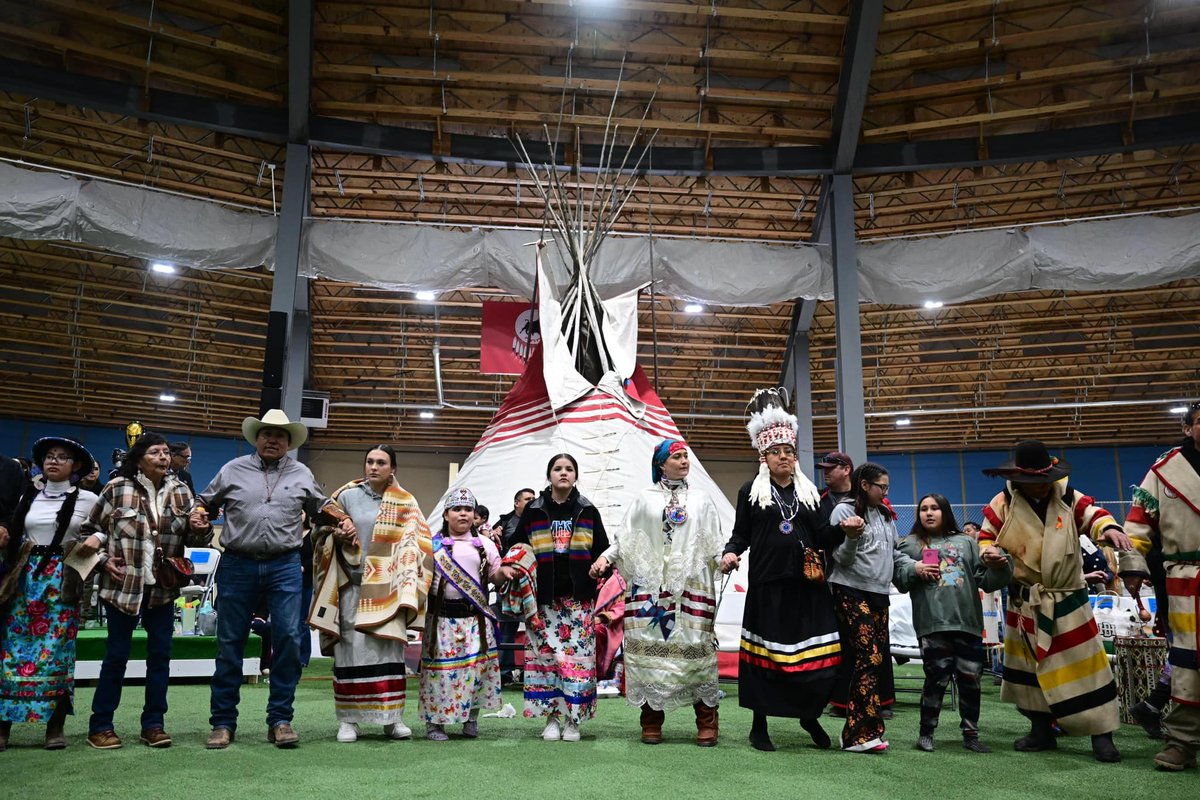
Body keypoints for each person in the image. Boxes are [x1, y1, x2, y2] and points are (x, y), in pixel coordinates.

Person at [195, 409, 355, 749]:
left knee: (289, 640)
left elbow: (321, 506)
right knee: (229, 645)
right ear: (257, 438)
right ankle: (223, 723)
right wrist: (198, 517)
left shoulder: (301, 473)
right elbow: (205, 503)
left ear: (288, 442)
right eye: (267, 434)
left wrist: (342, 520)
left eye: (280, 436)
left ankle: (280, 720)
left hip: (285, 565)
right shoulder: (231, 470)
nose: (273, 440)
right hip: (237, 563)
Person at [979, 439, 1131, 762]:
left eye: (1043, 482)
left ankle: (1101, 734)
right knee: (1031, 674)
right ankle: (1041, 730)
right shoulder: (1001, 503)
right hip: (1024, 603)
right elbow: (985, 537)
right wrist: (988, 553)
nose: (1039, 489)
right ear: (1018, 479)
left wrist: (1110, 527)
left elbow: (1095, 515)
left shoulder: (1068, 497)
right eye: (1032, 482)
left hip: (1068, 601)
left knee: (1088, 670)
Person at [719, 388, 843, 752]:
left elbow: (821, 534)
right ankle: (759, 726)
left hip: (808, 587)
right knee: (764, 658)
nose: (785, 457)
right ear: (764, 457)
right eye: (777, 452)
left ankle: (809, 716)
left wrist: (844, 530)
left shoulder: (808, 494)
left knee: (812, 656)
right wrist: (730, 553)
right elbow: (741, 533)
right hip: (767, 585)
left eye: (789, 452)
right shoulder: (751, 492)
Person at [75, 433, 210, 750]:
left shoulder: (181, 492)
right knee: (116, 656)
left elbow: (197, 540)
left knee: (160, 656)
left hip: (163, 588)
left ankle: (153, 725)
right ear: (138, 457)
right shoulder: (115, 489)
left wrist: (201, 528)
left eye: (166, 452)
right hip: (122, 586)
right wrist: (104, 560)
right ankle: (101, 726)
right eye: (155, 452)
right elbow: (88, 532)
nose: (164, 457)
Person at [590, 439, 724, 745]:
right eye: (676, 456)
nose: (683, 461)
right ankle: (651, 720)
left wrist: (724, 558)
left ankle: (706, 719)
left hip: (690, 588)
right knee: (650, 643)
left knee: (696, 646)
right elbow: (624, 539)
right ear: (661, 464)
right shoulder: (644, 499)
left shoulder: (702, 499)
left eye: (685, 456)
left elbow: (714, 541)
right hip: (650, 590)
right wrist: (605, 558)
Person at [308, 444, 432, 743]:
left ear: (393, 469)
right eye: (369, 461)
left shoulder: (405, 502)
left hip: (389, 590)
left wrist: (406, 557)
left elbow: (422, 540)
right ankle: (348, 720)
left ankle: (392, 720)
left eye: (381, 462)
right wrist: (335, 535)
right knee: (349, 652)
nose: (373, 467)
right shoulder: (345, 497)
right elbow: (318, 532)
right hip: (352, 584)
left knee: (388, 650)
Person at [0, 438, 98, 751]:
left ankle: (54, 728)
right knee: (11, 652)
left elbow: (107, 527)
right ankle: (4, 727)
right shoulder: (27, 496)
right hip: (24, 579)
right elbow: (14, 531)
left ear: (76, 466)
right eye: (49, 457)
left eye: (62, 457)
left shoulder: (88, 499)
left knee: (57, 654)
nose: (53, 462)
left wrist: (95, 538)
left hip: (63, 579)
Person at [503, 453, 609, 742]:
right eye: (558, 469)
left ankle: (574, 721)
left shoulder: (587, 510)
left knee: (576, 662)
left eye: (569, 469)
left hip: (578, 601)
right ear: (549, 475)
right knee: (546, 660)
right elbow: (515, 547)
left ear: (576, 475)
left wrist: (601, 565)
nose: (563, 473)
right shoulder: (534, 510)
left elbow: (604, 550)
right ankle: (551, 718)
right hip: (542, 601)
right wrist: (513, 566)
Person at [829, 462, 933, 753]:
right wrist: (851, 538)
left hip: (879, 592)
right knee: (869, 656)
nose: (886, 492)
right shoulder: (844, 511)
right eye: (882, 487)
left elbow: (895, 554)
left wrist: (916, 566)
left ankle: (869, 730)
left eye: (887, 487)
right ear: (864, 485)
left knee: (874, 661)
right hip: (849, 589)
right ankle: (854, 734)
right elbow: (842, 559)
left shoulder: (885, 514)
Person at [896, 493, 1012, 754]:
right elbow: (899, 578)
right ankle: (926, 732)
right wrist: (914, 569)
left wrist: (1001, 564)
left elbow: (986, 579)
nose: (928, 513)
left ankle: (971, 734)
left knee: (971, 681)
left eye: (935, 508)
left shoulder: (966, 543)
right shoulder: (911, 544)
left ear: (945, 511)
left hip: (967, 623)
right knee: (935, 680)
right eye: (924, 509)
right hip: (932, 624)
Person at [1123, 400, 1200, 771]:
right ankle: (1182, 741)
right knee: (1187, 663)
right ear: (1187, 427)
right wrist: (1132, 567)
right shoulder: (1164, 471)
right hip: (1185, 581)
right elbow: (1137, 528)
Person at [420, 488, 503, 740]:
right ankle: (435, 724)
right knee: (439, 672)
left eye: (468, 509)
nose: (463, 514)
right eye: (457, 509)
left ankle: (471, 719)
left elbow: (495, 576)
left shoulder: (486, 545)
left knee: (475, 670)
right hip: (441, 621)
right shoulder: (431, 545)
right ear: (446, 514)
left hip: (475, 618)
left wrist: (507, 572)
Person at [495, 487, 536, 684]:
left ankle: (533, 673)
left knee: (536, 626)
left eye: (533, 498)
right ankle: (505, 674)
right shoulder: (504, 523)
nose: (531, 501)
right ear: (516, 503)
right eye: (527, 499)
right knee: (507, 629)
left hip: (533, 580)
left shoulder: (539, 519)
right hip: (509, 581)